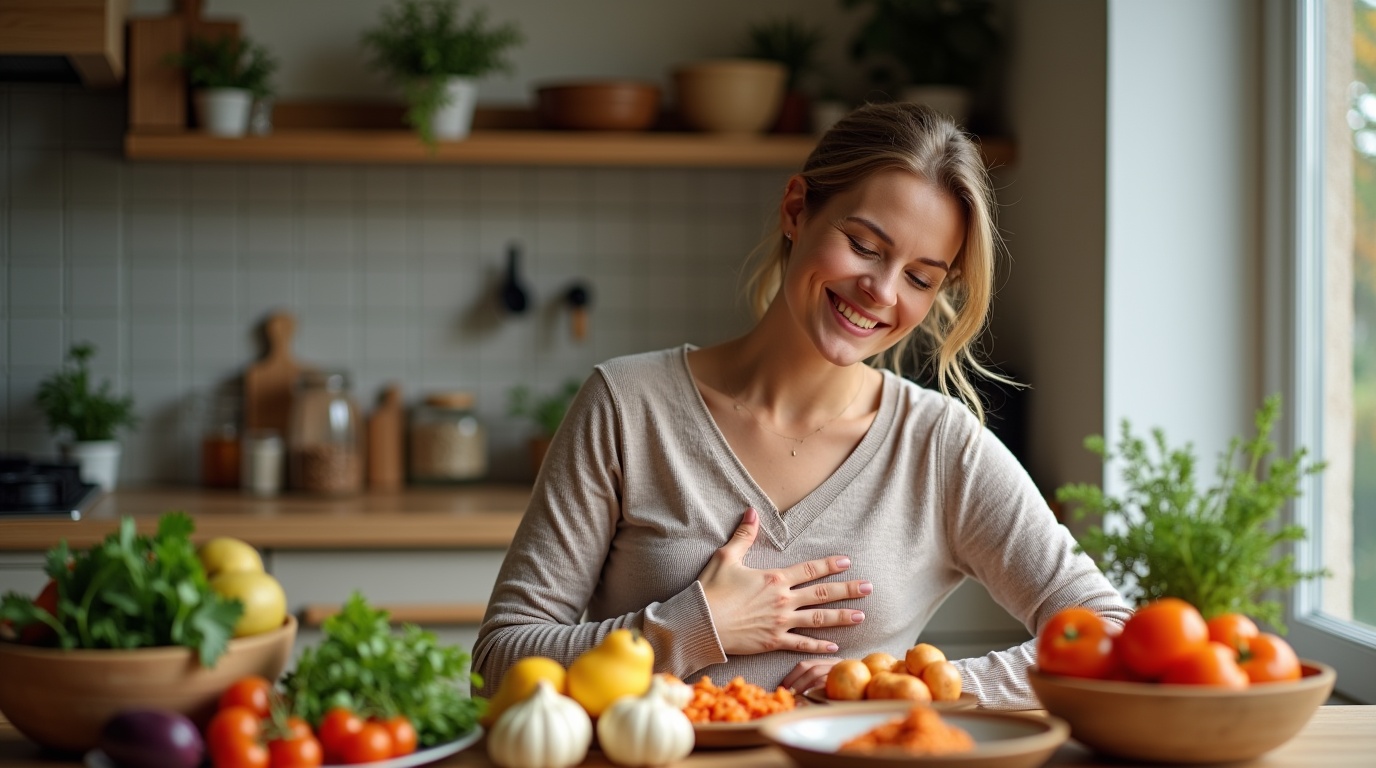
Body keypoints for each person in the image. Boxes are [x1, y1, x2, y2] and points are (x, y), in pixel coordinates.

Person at [471, 102, 1130, 709]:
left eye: (921, 278)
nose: (880, 290)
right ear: (796, 210)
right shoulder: (626, 407)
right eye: (865, 246)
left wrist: (913, 685)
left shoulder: (939, 446)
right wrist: (694, 626)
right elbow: (498, 660)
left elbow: (1108, 632)